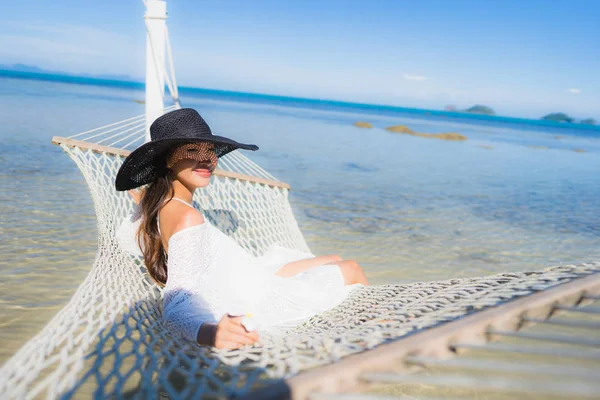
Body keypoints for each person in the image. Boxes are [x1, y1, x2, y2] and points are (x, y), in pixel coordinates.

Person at [115, 108, 368, 349]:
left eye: (210, 150)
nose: (206, 159)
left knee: (332, 259)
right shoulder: (187, 217)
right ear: (167, 160)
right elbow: (176, 305)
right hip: (251, 295)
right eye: (192, 149)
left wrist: (142, 205)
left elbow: (128, 239)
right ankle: (372, 335)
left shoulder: (161, 205)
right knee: (351, 268)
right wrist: (212, 333)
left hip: (250, 274)